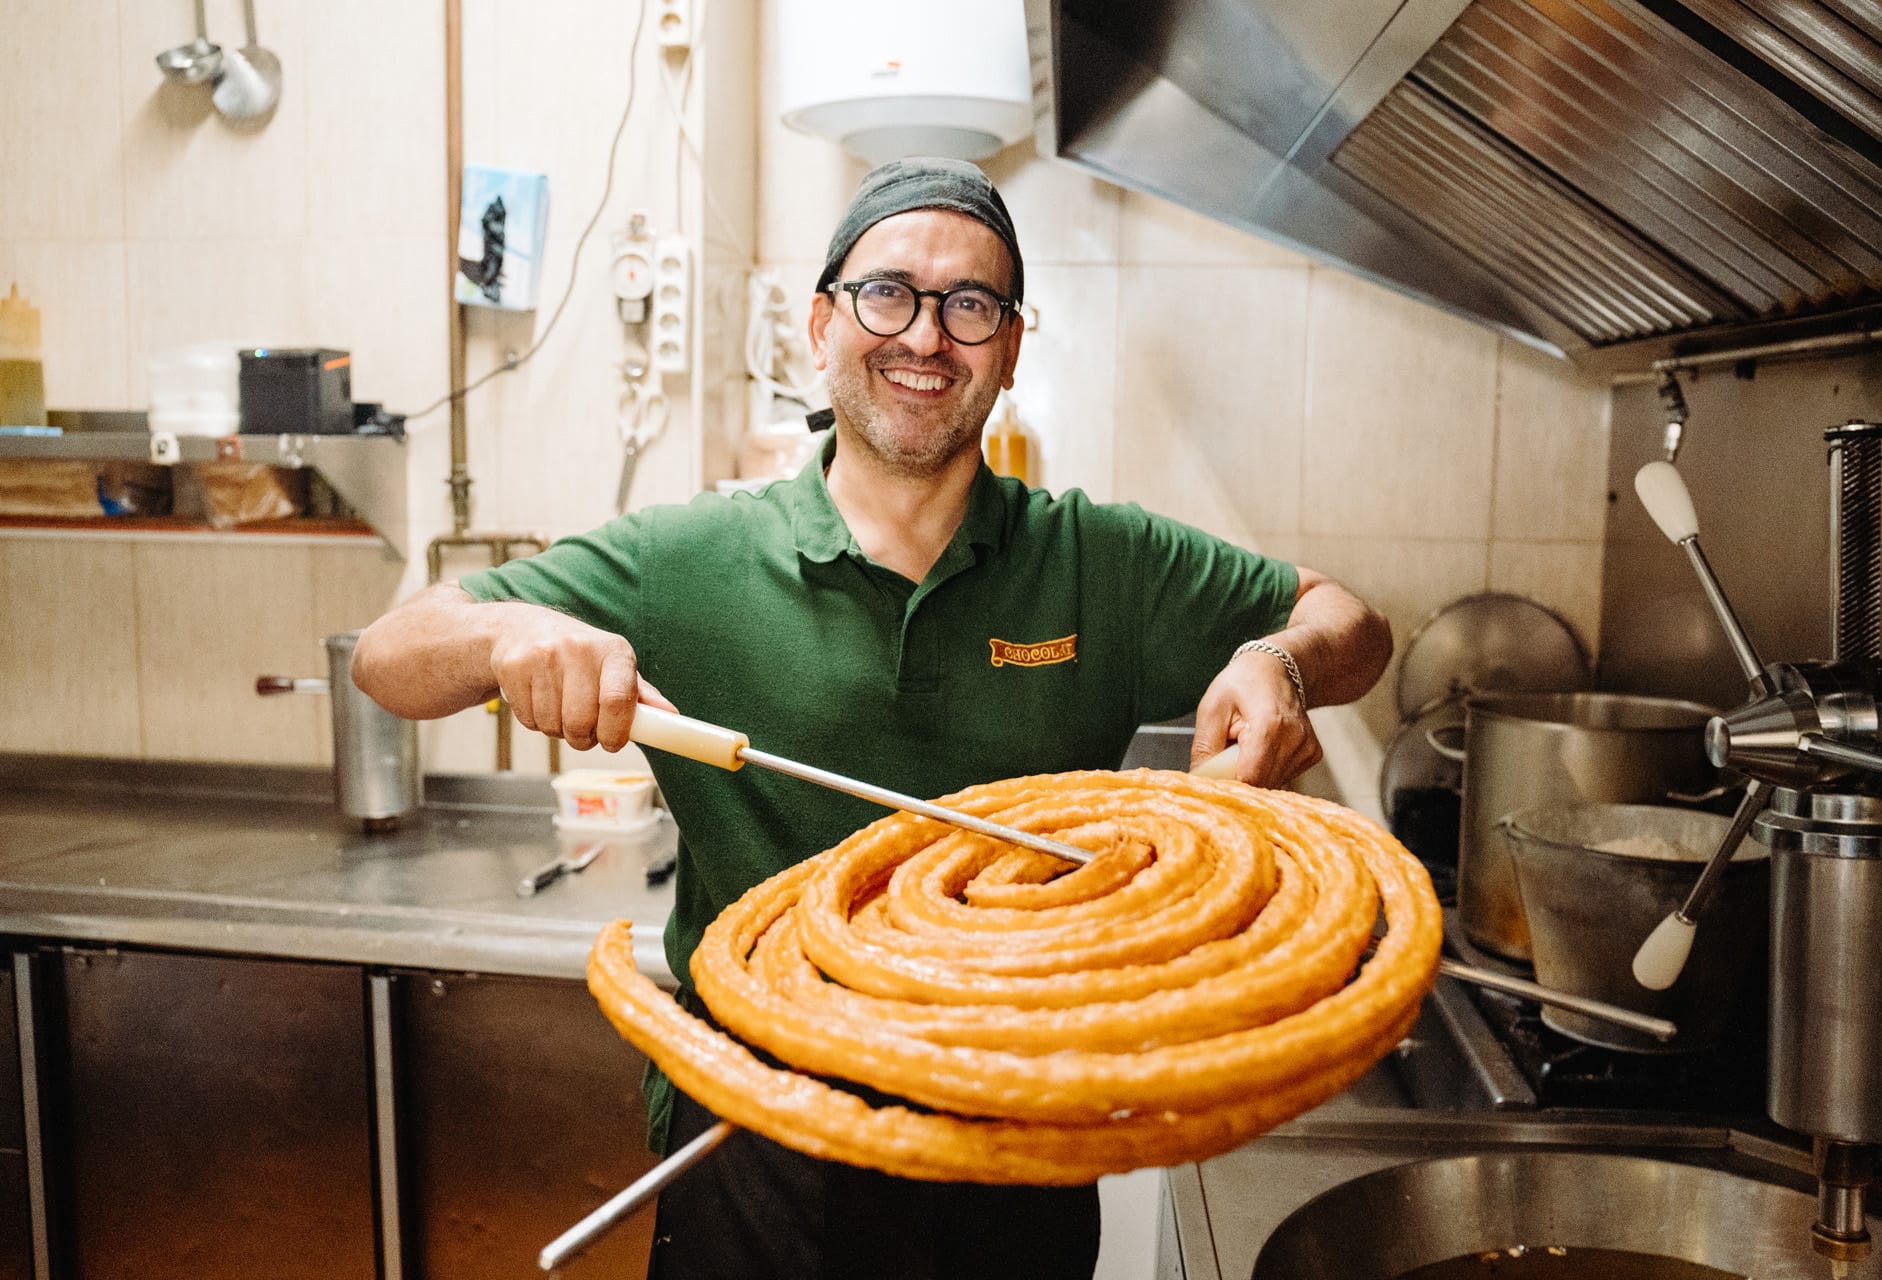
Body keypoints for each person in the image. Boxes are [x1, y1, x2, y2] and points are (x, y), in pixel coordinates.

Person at [353, 156, 1392, 1280]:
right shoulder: (690, 561)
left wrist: (1278, 657)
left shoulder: (1105, 562)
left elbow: (1352, 623)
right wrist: (508, 638)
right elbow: (390, 655)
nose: (927, 337)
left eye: (971, 306)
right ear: (821, 322)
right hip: (752, 1146)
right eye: (887, 292)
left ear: (1010, 347)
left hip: (1014, 1160)